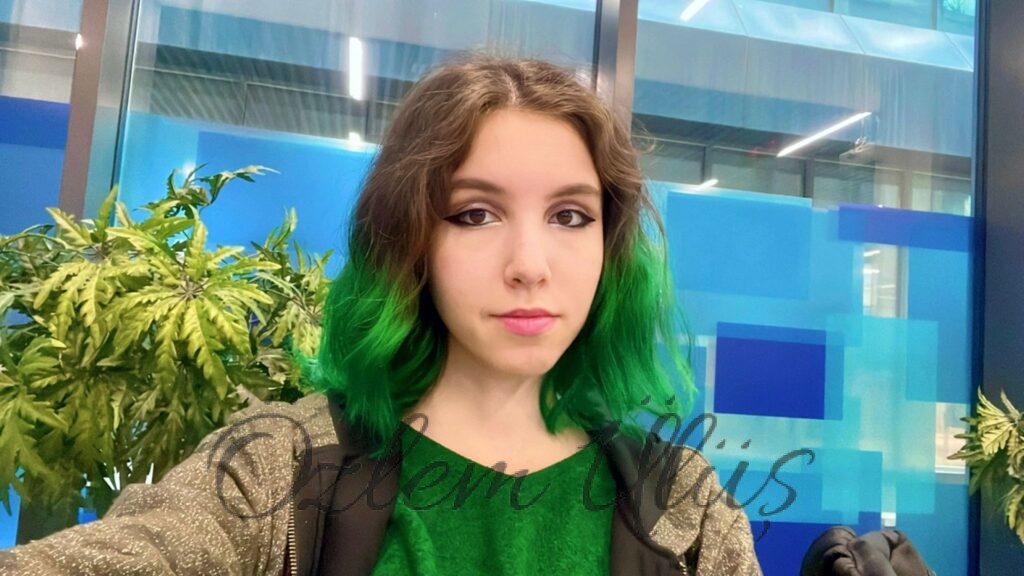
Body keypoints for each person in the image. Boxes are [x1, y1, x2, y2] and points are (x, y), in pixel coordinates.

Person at [0, 54, 761, 575]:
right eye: (474, 213)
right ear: (409, 239)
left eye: (570, 216)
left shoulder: (684, 506)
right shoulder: (283, 464)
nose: (531, 264)